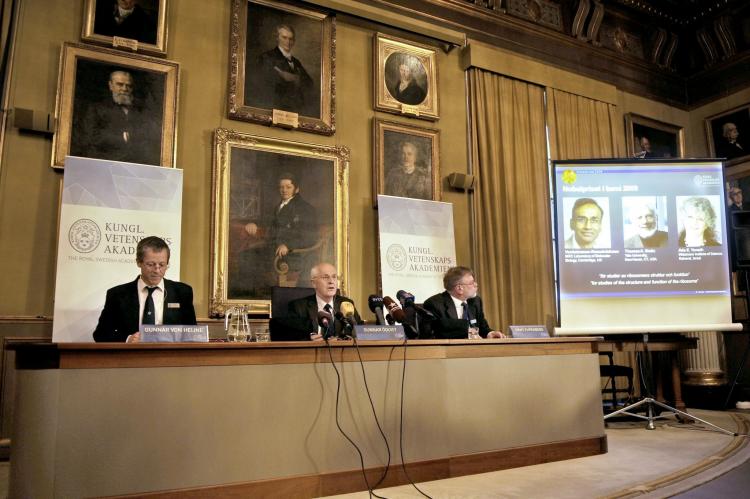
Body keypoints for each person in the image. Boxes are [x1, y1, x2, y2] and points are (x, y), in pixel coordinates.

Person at [93, 236, 196, 342]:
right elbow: (101, 334)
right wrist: (128, 339)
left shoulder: (183, 292)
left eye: (162, 265)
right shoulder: (117, 294)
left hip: (169, 356)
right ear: (139, 262)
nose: (157, 270)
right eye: (150, 264)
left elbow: (192, 334)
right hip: (131, 356)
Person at [235, 173, 318, 297]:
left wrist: (288, 245)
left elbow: (309, 236)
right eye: (281, 187)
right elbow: (268, 221)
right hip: (274, 249)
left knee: (251, 258)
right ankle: (249, 297)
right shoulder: (279, 206)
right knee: (245, 255)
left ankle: (257, 296)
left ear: (297, 189)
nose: (284, 190)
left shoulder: (305, 208)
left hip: (294, 254)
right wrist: (254, 223)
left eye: (288, 187)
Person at [70, 70, 160, 165]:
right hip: (105, 163)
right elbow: (89, 137)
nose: (124, 89)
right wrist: (121, 138)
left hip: (134, 165)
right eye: (120, 84)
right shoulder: (97, 108)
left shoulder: (140, 111)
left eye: (128, 86)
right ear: (111, 85)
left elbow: (148, 138)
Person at [286, 262, 362, 341]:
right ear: (314, 283)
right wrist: (308, 339)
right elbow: (290, 335)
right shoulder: (299, 307)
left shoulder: (346, 304)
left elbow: (360, 331)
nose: (331, 281)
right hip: (312, 352)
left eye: (334, 277)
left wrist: (343, 340)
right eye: (325, 277)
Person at [423, 266, 505, 339]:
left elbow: (482, 327)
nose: (476, 285)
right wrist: (468, 331)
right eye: (471, 283)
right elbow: (440, 331)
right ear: (459, 288)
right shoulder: (434, 304)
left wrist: (489, 333)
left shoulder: (475, 301)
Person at [254, 24, 314, 116]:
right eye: (284, 38)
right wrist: (280, 77)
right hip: (275, 109)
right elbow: (261, 81)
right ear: (277, 38)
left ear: (294, 41)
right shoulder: (266, 57)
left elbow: (309, 83)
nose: (288, 42)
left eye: (291, 39)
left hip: (296, 111)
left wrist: (296, 78)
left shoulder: (296, 62)